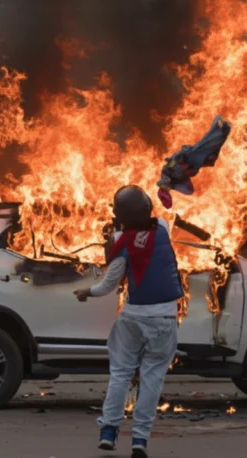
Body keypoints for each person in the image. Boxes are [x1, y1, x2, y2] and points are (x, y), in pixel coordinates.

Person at [73, 185, 183, 458]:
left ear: (120, 215)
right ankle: (139, 441)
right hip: (165, 319)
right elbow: (150, 224)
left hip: (133, 317)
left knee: (120, 375)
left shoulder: (122, 241)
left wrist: (88, 292)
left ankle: (109, 431)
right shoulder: (163, 227)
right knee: (151, 381)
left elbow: (109, 284)